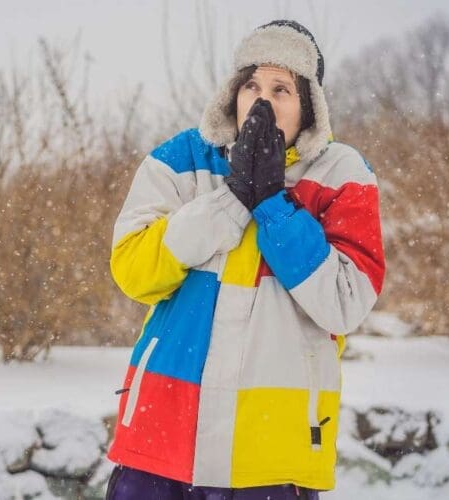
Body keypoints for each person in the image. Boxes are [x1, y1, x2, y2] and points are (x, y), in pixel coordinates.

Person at [105, 19, 385, 499]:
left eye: (282, 89)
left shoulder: (343, 174)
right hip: (163, 434)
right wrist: (231, 199)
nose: (262, 101)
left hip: (272, 450)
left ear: (310, 105)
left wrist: (273, 205)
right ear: (232, 91)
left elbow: (345, 301)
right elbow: (133, 271)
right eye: (252, 84)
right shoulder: (181, 159)